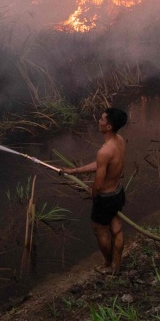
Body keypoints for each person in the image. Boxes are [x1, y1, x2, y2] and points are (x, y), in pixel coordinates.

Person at [60, 107, 128, 275]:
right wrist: (74, 171)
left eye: (102, 119)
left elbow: (98, 183)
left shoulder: (104, 151)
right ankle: (116, 265)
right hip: (118, 193)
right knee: (116, 227)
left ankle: (108, 264)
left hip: (106, 199)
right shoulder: (119, 140)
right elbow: (102, 165)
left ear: (109, 127)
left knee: (99, 229)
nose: (99, 121)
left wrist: (93, 193)